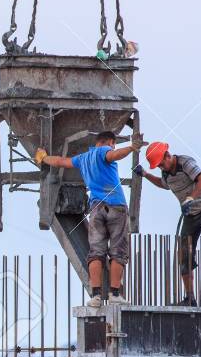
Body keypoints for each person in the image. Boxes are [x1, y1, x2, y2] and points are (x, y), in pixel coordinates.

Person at [35, 131, 138, 306]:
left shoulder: (83, 158)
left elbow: (61, 161)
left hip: (96, 209)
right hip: (116, 206)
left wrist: (44, 158)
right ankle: (114, 294)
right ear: (109, 142)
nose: (112, 147)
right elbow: (114, 155)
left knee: (95, 252)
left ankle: (96, 296)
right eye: (113, 144)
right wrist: (131, 148)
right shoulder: (105, 151)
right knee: (118, 252)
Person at [139, 141, 201, 305]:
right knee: (184, 255)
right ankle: (190, 298)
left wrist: (191, 198)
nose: (161, 167)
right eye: (158, 166)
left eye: (162, 163)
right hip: (190, 214)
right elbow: (164, 185)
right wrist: (145, 174)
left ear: (168, 156)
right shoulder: (165, 173)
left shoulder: (186, 163)